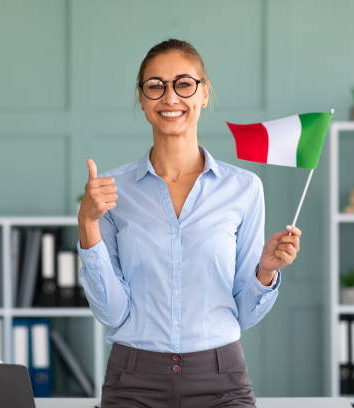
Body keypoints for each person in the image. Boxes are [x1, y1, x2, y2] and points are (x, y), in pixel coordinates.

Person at [77, 38, 302, 408]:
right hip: (133, 381)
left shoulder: (243, 189)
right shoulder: (112, 193)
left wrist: (265, 271)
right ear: (142, 97)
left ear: (203, 94)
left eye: (184, 84)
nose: (170, 97)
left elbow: (244, 313)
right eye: (155, 86)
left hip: (221, 379)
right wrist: (87, 224)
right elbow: (111, 313)